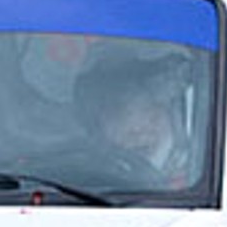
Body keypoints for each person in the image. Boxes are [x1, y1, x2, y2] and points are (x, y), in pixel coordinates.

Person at [76, 56, 195, 188]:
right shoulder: (88, 175)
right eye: (129, 134)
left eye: (153, 118)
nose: (142, 138)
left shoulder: (197, 167)